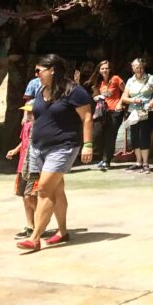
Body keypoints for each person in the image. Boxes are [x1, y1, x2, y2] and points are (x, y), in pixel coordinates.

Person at [16, 54, 93, 251]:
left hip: (63, 147)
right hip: (39, 148)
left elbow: (87, 117)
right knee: (57, 190)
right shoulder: (42, 90)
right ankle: (63, 232)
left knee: (44, 190)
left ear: (52, 70)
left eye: (39, 70)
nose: (36, 74)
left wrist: (88, 144)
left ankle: (35, 238)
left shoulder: (74, 91)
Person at [121, 58, 153, 174]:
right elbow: (124, 98)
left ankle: (145, 163)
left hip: (146, 111)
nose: (139, 70)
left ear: (144, 68)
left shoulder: (151, 78)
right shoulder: (130, 81)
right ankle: (138, 162)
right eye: (136, 67)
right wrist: (134, 99)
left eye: (141, 67)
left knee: (144, 135)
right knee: (134, 136)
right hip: (133, 112)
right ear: (132, 68)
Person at [7, 101, 38, 238]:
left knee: (29, 195)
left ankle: (41, 220)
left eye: (31, 112)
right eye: (27, 111)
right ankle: (30, 225)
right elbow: (23, 141)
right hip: (22, 166)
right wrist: (15, 150)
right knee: (24, 197)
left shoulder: (38, 127)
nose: (28, 114)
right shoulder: (25, 125)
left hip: (33, 165)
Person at [87, 60, 125, 170]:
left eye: (106, 68)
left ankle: (106, 161)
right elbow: (94, 95)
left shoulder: (116, 79)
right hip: (102, 112)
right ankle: (102, 158)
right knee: (97, 134)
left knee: (110, 136)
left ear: (110, 69)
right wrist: (96, 97)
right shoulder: (98, 82)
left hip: (115, 111)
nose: (104, 70)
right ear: (99, 70)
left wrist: (120, 103)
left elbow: (126, 91)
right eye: (102, 68)